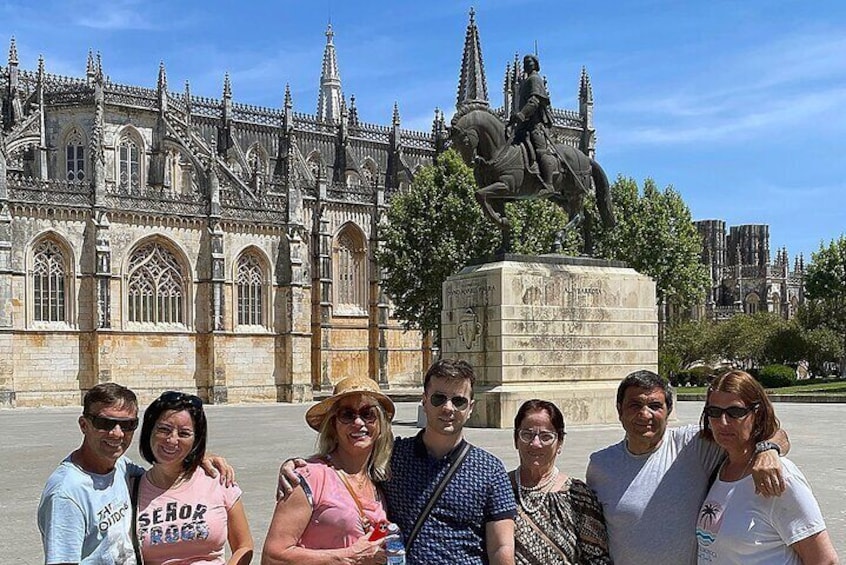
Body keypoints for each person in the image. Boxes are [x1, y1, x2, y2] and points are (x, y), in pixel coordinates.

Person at [278, 359, 517, 564]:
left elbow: (501, 548)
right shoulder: (393, 456)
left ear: (470, 408)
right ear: (424, 401)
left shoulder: (490, 469)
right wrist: (295, 466)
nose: (448, 408)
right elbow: (346, 457)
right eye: (439, 399)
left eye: (459, 401)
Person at [586, 370, 790, 565]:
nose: (645, 414)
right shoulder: (601, 465)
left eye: (655, 406)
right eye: (635, 405)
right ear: (619, 409)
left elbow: (777, 433)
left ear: (668, 411)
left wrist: (768, 450)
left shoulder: (694, 445)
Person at [37, 383, 233, 565]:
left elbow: (160, 475)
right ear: (84, 425)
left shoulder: (120, 467)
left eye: (127, 425)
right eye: (105, 423)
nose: (117, 433)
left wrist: (198, 456)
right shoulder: (66, 493)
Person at [696, 370, 838, 563]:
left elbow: (825, 560)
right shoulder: (718, 465)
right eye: (714, 412)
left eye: (735, 412)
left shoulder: (778, 476)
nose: (723, 422)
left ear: (757, 413)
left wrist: (769, 449)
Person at [262, 375, 395, 564]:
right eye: (347, 415)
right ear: (333, 424)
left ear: (381, 424)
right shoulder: (309, 477)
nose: (358, 423)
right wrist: (348, 556)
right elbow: (272, 557)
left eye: (368, 414)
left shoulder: (383, 477)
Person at [136, 391, 253, 565]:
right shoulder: (130, 487)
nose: (172, 440)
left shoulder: (218, 480)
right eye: (164, 429)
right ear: (149, 432)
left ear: (196, 440)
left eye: (184, 433)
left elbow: (244, 546)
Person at [509, 399, 610, 564]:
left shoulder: (577, 495)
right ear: (515, 439)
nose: (536, 444)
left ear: (560, 442)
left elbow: (597, 558)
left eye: (546, 437)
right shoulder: (498, 489)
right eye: (527, 434)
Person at [508, 54, 555, 191]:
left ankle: (549, 184)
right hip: (524, 125)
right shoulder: (526, 81)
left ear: (535, 64)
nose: (526, 64)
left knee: (541, 151)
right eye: (525, 62)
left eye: (529, 62)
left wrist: (522, 114)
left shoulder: (535, 79)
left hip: (535, 125)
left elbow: (535, 101)